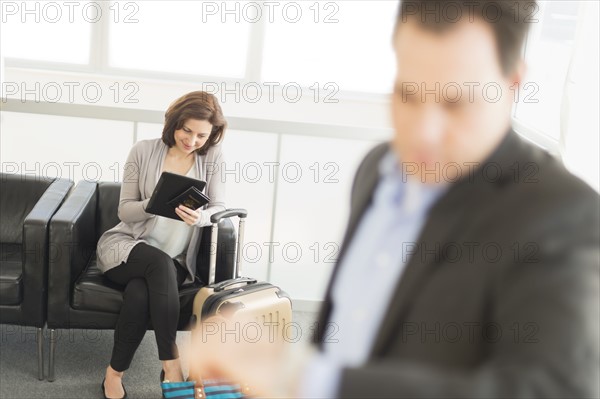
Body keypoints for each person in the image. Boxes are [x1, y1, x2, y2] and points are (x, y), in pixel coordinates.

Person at [190, 1, 600, 398]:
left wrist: (309, 380)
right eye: (408, 94)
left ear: (512, 84)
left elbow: (549, 390)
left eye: (455, 103)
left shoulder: (563, 214)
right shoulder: (376, 168)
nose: (423, 133)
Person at [96, 91, 227, 399]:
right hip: (127, 248)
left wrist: (201, 217)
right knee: (157, 262)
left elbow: (220, 207)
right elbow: (124, 210)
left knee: (141, 293)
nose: (192, 140)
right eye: (187, 131)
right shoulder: (142, 151)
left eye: (201, 135)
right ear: (174, 123)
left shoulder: (213, 157)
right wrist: (154, 203)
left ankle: (113, 373)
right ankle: (171, 364)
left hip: (175, 263)